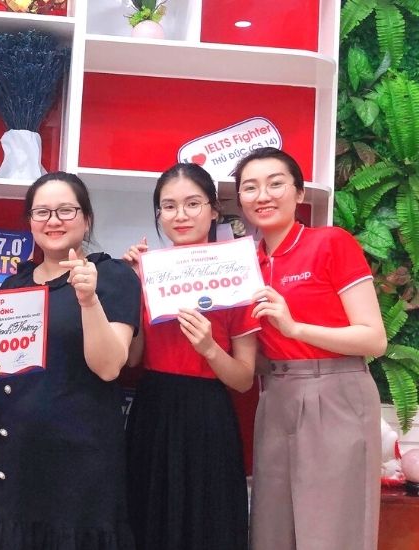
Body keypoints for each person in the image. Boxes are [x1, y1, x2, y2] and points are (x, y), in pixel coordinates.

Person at [0, 171, 141, 550]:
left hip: (82, 470)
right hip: (16, 463)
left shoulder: (112, 277)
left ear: (86, 218)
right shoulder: (12, 286)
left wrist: (88, 300)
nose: (53, 221)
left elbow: (109, 366)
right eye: (42, 212)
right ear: (30, 221)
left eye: (66, 210)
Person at [234, 147, 386, 550]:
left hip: (335, 393)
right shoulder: (244, 264)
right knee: (271, 530)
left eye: (275, 184)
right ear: (240, 199)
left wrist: (295, 328)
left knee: (332, 532)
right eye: (250, 187)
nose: (263, 195)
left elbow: (373, 338)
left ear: (299, 193)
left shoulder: (331, 242)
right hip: (275, 396)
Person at [121, 163, 258, 550]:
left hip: (207, 415)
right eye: (169, 206)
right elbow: (132, 360)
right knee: (150, 520)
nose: (180, 215)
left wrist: (210, 349)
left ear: (214, 210)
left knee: (205, 523)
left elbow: (244, 379)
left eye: (193, 204)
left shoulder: (237, 273)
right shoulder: (147, 272)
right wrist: (130, 288)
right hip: (153, 409)